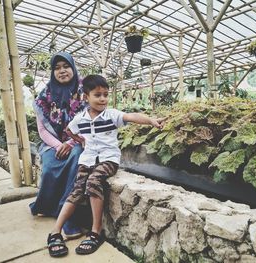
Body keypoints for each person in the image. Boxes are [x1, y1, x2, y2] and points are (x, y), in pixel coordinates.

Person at [47, 74, 164, 257]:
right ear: (86, 97)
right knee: (76, 190)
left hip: (108, 160)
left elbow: (131, 116)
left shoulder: (112, 115)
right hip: (87, 159)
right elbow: (68, 130)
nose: (103, 99)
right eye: (98, 95)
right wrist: (80, 140)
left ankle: (96, 231)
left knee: (93, 181)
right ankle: (55, 232)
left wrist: (150, 120)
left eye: (105, 94)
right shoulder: (80, 118)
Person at [29, 52, 86, 239]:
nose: (62, 71)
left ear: (73, 67)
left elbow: (89, 122)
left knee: (76, 158)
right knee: (48, 168)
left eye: (66, 66)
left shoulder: (85, 90)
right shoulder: (44, 96)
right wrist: (58, 145)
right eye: (57, 68)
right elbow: (42, 130)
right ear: (53, 72)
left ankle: (67, 216)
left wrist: (70, 143)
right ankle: (46, 206)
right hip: (51, 143)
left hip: (77, 142)